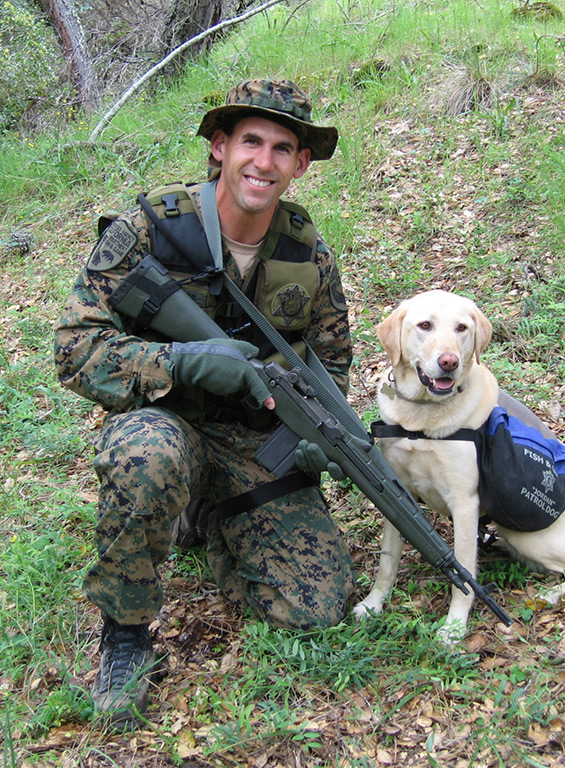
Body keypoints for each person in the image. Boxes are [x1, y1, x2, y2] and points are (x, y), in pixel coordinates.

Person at [54, 79, 355, 730]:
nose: (264, 162)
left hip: (254, 439)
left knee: (313, 608)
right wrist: (178, 363)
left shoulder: (307, 254)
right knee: (146, 455)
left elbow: (330, 362)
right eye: (251, 141)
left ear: (301, 164)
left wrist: (317, 437)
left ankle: (212, 518)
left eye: (283, 148)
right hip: (168, 423)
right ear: (220, 147)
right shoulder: (154, 229)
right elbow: (73, 348)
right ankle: (126, 633)